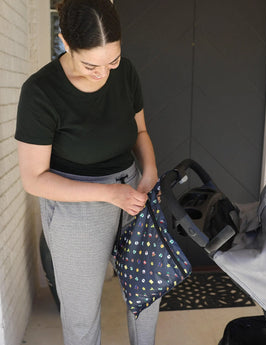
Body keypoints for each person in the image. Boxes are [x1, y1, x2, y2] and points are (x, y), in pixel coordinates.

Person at [15, 0, 161, 344]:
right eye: (90, 64)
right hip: (75, 206)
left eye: (112, 59)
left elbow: (139, 132)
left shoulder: (126, 73)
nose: (103, 73)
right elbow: (33, 178)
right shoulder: (40, 92)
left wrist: (150, 171)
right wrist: (109, 193)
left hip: (132, 190)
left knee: (148, 295)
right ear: (65, 42)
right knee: (82, 317)